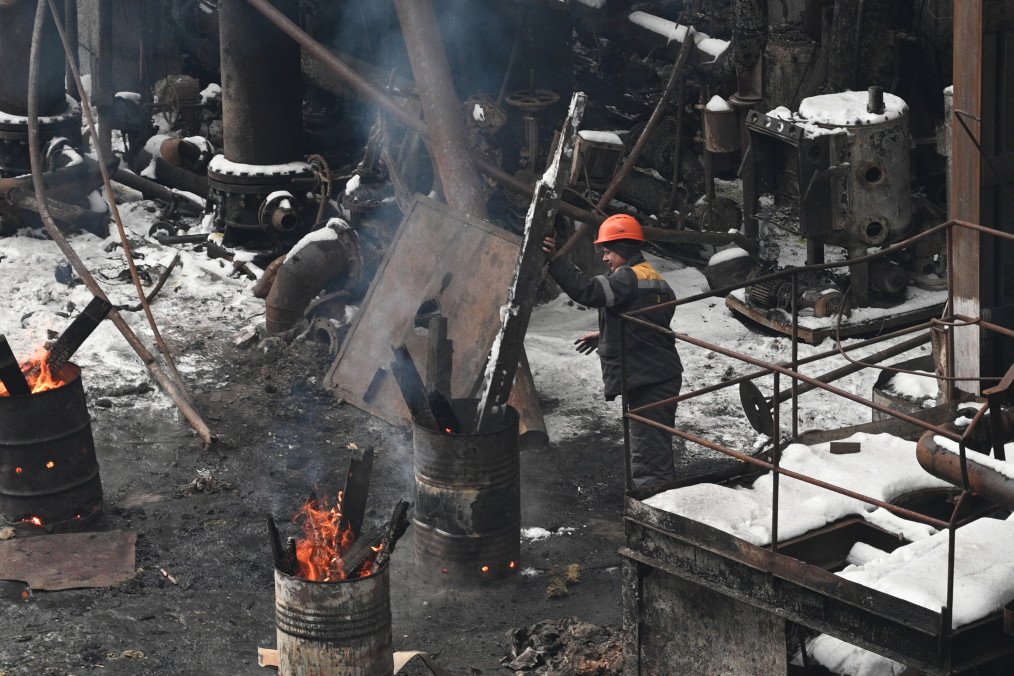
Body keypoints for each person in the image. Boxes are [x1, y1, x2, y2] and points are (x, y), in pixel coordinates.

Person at [542, 214, 684, 491]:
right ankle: (658, 499)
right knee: (653, 443)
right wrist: (605, 334)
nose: (605, 258)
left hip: (649, 377)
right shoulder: (654, 278)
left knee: (648, 451)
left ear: (623, 248)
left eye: (608, 251)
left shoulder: (628, 278)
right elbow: (648, 322)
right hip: (658, 373)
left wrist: (557, 262)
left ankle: (654, 510)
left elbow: (590, 291)